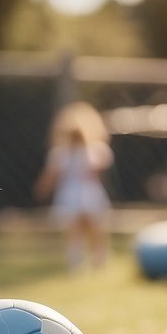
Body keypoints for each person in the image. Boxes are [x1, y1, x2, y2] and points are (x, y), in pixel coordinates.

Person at [34, 101, 114, 272]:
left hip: (72, 193)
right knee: (92, 229)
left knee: (79, 231)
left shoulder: (66, 153)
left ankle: (81, 261)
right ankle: (94, 260)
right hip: (86, 192)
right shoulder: (71, 153)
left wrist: (42, 189)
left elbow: (50, 176)